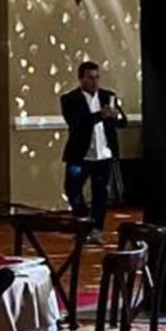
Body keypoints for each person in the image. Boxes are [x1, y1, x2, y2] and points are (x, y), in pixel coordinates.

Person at [59, 59, 125, 233]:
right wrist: (100, 115)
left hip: (103, 154)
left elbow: (122, 122)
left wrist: (116, 116)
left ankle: (97, 228)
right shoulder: (69, 99)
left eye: (97, 77)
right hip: (80, 155)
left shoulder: (108, 96)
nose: (95, 81)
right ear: (81, 79)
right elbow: (76, 123)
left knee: (100, 193)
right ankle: (82, 221)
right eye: (90, 78)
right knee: (73, 189)